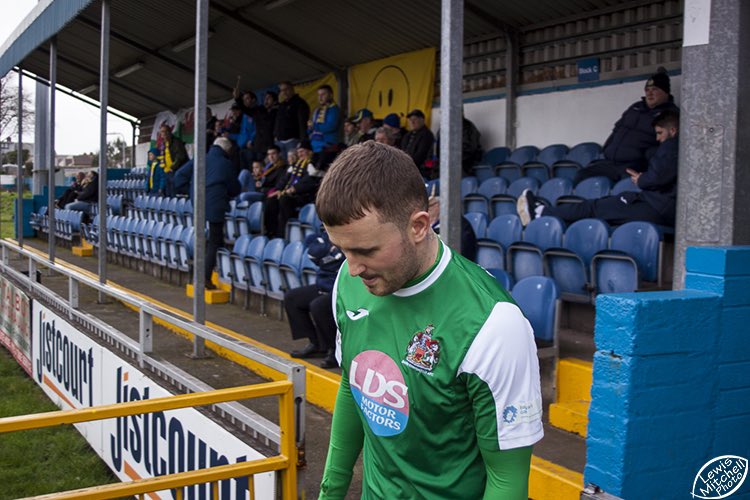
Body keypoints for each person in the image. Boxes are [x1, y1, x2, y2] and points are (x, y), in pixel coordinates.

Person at [316, 142, 543, 499]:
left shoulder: (494, 324)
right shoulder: (350, 280)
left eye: (366, 250)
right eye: (343, 249)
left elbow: (507, 479)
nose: (353, 266)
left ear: (419, 226)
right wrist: (330, 492)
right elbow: (352, 383)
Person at [518, 110, 680, 228]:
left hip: (654, 207)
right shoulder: (683, 149)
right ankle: (542, 213)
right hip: (661, 209)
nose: (658, 139)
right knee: (600, 214)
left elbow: (657, 177)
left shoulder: (671, 145)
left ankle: (541, 211)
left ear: (672, 131)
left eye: (660, 133)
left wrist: (641, 179)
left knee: (593, 207)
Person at [574, 68, 679, 184]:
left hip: (632, 166)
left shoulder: (670, 114)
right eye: (647, 90)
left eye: (654, 89)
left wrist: (643, 161)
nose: (649, 93)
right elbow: (617, 129)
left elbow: (666, 148)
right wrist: (607, 150)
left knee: (623, 188)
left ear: (665, 92)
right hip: (609, 162)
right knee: (581, 175)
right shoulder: (635, 107)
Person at [174, 137, 241, 290]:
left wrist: (191, 191)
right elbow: (235, 188)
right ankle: (205, 277)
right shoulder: (225, 163)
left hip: (198, 203)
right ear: (226, 150)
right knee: (215, 240)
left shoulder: (200, 159)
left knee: (206, 239)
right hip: (216, 204)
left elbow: (179, 176)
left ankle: (210, 272)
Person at [286, 232, 344, 369]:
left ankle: (335, 351)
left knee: (319, 306)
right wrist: (330, 254)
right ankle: (316, 344)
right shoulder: (325, 235)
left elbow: (339, 261)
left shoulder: (348, 234)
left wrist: (328, 254)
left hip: (342, 288)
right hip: (323, 285)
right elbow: (314, 253)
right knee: (292, 298)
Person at [264, 140, 323, 238]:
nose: (300, 154)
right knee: (271, 200)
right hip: (289, 194)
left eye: (302, 151)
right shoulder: (295, 165)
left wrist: (293, 189)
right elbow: (284, 180)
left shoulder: (312, 164)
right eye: (298, 152)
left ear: (309, 151)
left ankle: (283, 234)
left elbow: (309, 182)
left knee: (284, 200)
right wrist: (278, 189)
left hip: (303, 196)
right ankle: (270, 231)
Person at [427, 195, 478, 262]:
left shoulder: (458, 226)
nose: (425, 211)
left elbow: (461, 255)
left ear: (439, 205)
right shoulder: (425, 224)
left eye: (429, 206)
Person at [308, 84, 341, 170]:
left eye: (323, 94)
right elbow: (312, 128)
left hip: (327, 148)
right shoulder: (317, 110)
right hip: (315, 147)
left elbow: (330, 126)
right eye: (319, 95)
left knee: (321, 174)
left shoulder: (334, 109)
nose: (320, 97)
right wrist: (309, 129)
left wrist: (314, 126)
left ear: (330, 95)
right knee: (311, 172)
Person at [274, 81, 310, 159]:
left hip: (293, 140)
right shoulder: (282, 105)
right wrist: (276, 134)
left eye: (286, 89)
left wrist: (302, 141)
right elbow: (278, 121)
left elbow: (302, 123)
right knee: (281, 165)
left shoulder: (300, 103)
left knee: (293, 163)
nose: (284, 92)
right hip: (279, 140)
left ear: (292, 89)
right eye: (282, 90)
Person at [400, 109, 435, 179]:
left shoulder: (427, 135)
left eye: (415, 119)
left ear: (422, 120)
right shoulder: (407, 135)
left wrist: (405, 164)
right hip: (405, 168)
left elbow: (420, 155)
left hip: (419, 171)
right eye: (410, 120)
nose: (412, 122)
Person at [158, 124, 189, 197]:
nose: (163, 134)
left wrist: (173, 167)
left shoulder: (176, 142)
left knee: (173, 193)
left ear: (169, 132)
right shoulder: (164, 144)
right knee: (168, 193)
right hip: (167, 171)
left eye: (164, 131)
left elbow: (180, 156)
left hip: (174, 171)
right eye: (161, 132)